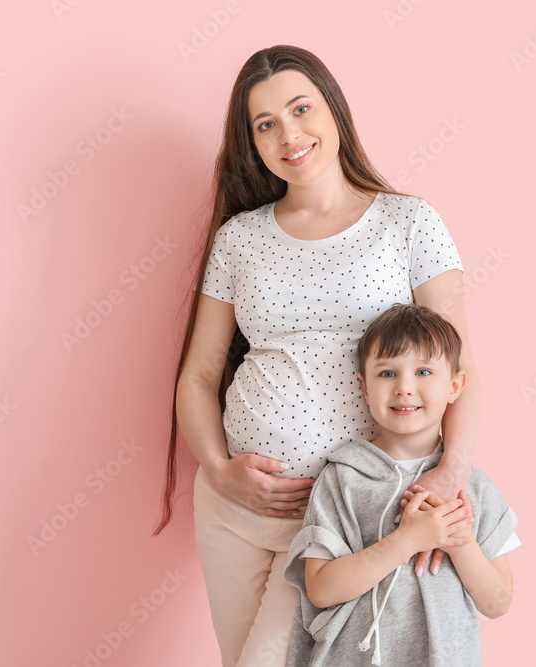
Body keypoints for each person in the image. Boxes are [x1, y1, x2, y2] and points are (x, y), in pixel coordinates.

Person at [153, 44, 485, 667]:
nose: (289, 134)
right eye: (266, 124)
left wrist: (453, 468)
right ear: (253, 143)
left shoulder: (409, 223)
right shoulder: (239, 238)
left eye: (301, 109)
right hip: (230, 510)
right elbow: (199, 375)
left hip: (339, 511)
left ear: (333, 109)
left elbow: (459, 366)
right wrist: (220, 471)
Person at [284, 303, 519, 666]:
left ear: (455, 386)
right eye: (387, 373)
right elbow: (321, 590)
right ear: (364, 387)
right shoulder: (341, 479)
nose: (404, 388)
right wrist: (407, 540)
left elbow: (497, 602)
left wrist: (459, 542)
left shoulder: (474, 488)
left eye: (423, 371)